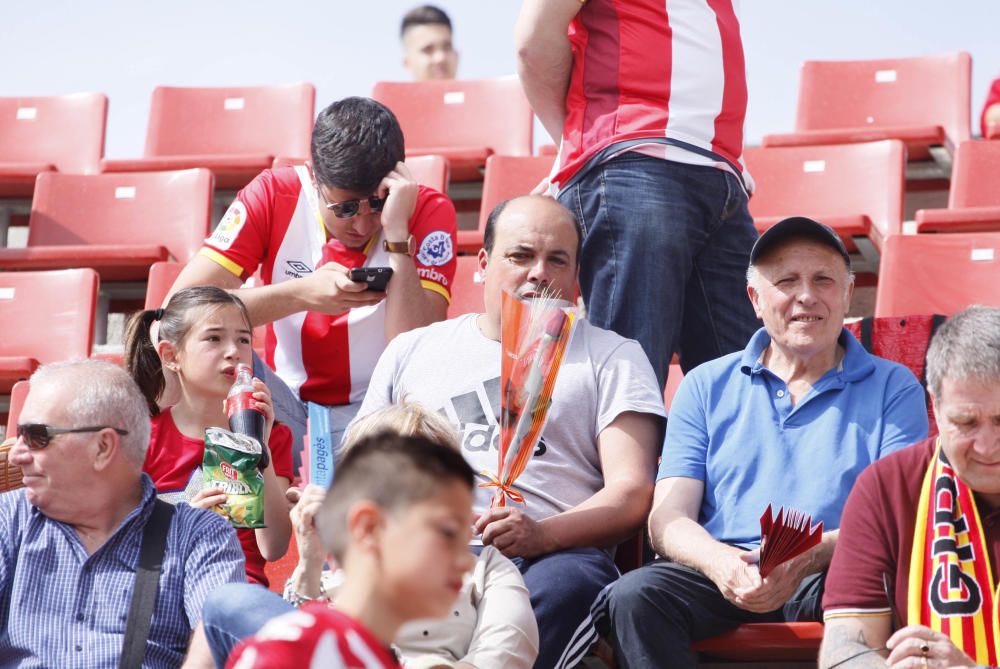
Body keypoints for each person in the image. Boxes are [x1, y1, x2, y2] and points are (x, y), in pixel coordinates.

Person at [593, 217, 930, 669]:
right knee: (634, 597)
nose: (806, 296)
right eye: (786, 281)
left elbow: (900, 517)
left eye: (823, 280)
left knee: (891, 585)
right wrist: (719, 562)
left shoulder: (895, 385)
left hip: (836, 566)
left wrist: (805, 558)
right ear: (755, 299)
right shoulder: (704, 384)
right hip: (723, 569)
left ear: (847, 294)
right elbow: (667, 517)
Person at [356, 195, 667, 669]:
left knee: (567, 587)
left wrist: (543, 534)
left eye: (557, 260)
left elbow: (631, 492)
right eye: (521, 256)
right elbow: (359, 465)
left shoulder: (613, 355)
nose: (539, 273)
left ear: (576, 275)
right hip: (422, 553)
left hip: (552, 557)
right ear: (483, 262)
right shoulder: (413, 349)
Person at [167, 96, 458, 454]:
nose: (363, 223)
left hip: (384, 408)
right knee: (169, 345)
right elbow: (177, 312)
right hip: (284, 399)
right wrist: (299, 295)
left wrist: (397, 235)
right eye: (345, 208)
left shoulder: (427, 209)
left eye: (377, 203)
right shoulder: (273, 193)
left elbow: (415, 346)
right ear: (315, 176)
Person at [514, 0, 760, 391]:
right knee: (630, 375)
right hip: (634, 159)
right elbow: (534, 40)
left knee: (742, 384)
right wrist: (576, 142)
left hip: (718, 174)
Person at [201, 402, 539, 669]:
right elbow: (304, 641)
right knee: (232, 602)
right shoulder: (337, 571)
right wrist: (310, 559)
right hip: (334, 651)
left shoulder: (485, 565)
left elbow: (508, 648)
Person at [0, 359, 245, 668]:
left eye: (36, 436)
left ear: (103, 447)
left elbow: (217, 637)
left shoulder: (198, 535)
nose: (17, 454)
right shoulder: (8, 520)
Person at [821, 306, 1000, 669]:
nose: (988, 445)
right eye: (966, 422)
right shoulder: (887, 487)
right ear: (934, 403)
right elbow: (843, 648)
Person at [224, 431, 478, 668]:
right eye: (447, 533)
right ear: (368, 527)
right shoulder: (290, 651)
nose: (466, 562)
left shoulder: (371, 658)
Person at [124, 286, 293, 587]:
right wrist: (183, 524)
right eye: (214, 338)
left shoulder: (273, 435)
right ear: (171, 355)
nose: (234, 351)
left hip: (238, 588)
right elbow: (123, 541)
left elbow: (273, 547)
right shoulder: (143, 437)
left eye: (243, 339)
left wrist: (258, 448)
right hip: (163, 584)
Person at [400, 5, 458, 81]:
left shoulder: (477, 92)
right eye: (427, 50)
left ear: (457, 55)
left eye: (447, 47)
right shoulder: (388, 93)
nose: (440, 58)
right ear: (408, 63)